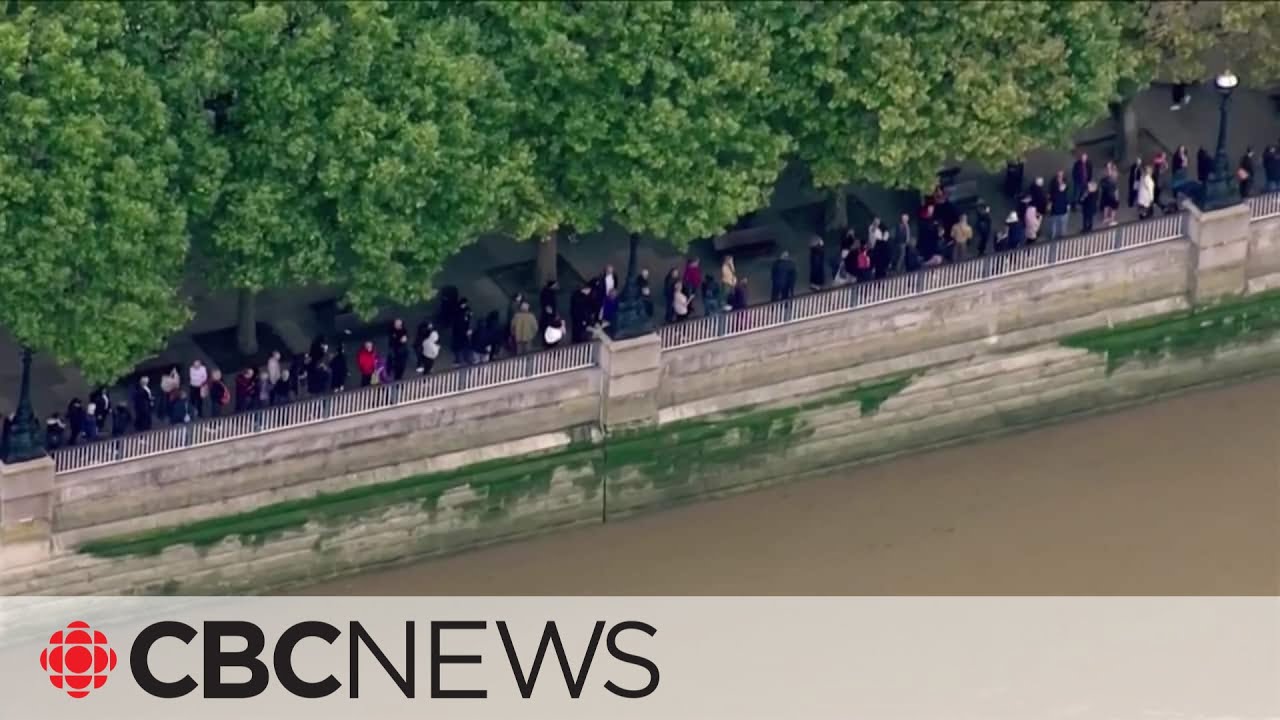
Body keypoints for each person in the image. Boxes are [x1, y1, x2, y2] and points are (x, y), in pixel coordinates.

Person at [1049, 171, 1070, 240]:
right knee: (1058, 223)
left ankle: (1059, 235)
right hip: (1059, 210)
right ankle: (1056, 235)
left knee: (1059, 224)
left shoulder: (1064, 184)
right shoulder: (1055, 187)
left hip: (1058, 210)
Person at [1100, 161, 1120, 226]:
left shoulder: (1105, 176)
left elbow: (1102, 184)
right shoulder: (1113, 177)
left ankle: (1105, 218)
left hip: (1105, 194)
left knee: (1106, 206)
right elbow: (1116, 188)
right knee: (1113, 208)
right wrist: (1117, 197)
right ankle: (1111, 220)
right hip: (1112, 195)